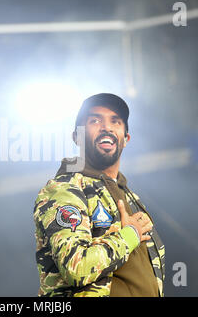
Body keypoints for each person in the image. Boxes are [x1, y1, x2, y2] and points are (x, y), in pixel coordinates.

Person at [33, 93, 165, 297]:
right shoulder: (65, 189)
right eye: (95, 120)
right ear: (76, 136)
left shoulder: (130, 197)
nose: (107, 127)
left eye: (116, 121)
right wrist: (130, 235)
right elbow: (76, 267)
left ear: (126, 139)